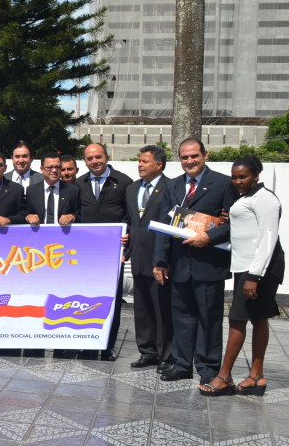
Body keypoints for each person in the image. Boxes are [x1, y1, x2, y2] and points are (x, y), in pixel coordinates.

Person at [152, 138, 236, 384]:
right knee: (182, 317)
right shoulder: (174, 186)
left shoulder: (222, 184)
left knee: (209, 319)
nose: (189, 161)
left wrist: (208, 237)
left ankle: (209, 368)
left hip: (209, 265)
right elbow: (164, 226)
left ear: (205, 155)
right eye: (184, 157)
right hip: (179, 266)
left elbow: (234, 222)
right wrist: (160, 260)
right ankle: (182, 364)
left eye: (194, 156)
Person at [200, 156, 284, 397]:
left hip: (258, 269)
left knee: (237, 319)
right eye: (235, 176)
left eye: (243, 176)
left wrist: (254, 277)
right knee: (258, 318)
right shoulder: (246, 198)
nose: (237, 181)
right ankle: (256, 376)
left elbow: (269, 239)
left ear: (256, 175)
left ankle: (224, 377)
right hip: (246, 267)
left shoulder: (265, 199)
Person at [77, 143, 132, 360]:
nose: (94, 162)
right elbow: (74, 214)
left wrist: (128, 237)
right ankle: (87, 344)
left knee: (111, 300)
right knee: (86, 300)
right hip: (86, 255)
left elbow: (130, 216)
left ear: (107, 157)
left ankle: (107, 345)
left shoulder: (124, 182)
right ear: (85, 161)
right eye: (90, 159)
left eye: (98, 157)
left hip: (113, 254)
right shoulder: (78, 184)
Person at [124, 145, 173, 371]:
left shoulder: (170, 187)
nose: (140, 165)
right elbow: (132, 221)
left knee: (161, 308)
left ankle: (167, 355)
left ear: (159, 165)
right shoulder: (132, 188)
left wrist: (165, 259)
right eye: (139, 161)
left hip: (160, 259)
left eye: (145, 161)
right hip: (138, 256)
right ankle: (147, 351)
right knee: (141, 307)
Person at [25, 152, 80, 225]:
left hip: (64, 234)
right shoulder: (32, 191)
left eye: (57, 167)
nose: (54, 170)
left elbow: (81, 214)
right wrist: (28, 217)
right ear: (42, 169)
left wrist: (72, 217)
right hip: (39, 233)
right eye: (50, 168)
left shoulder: (73, 190)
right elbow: (24, 213)